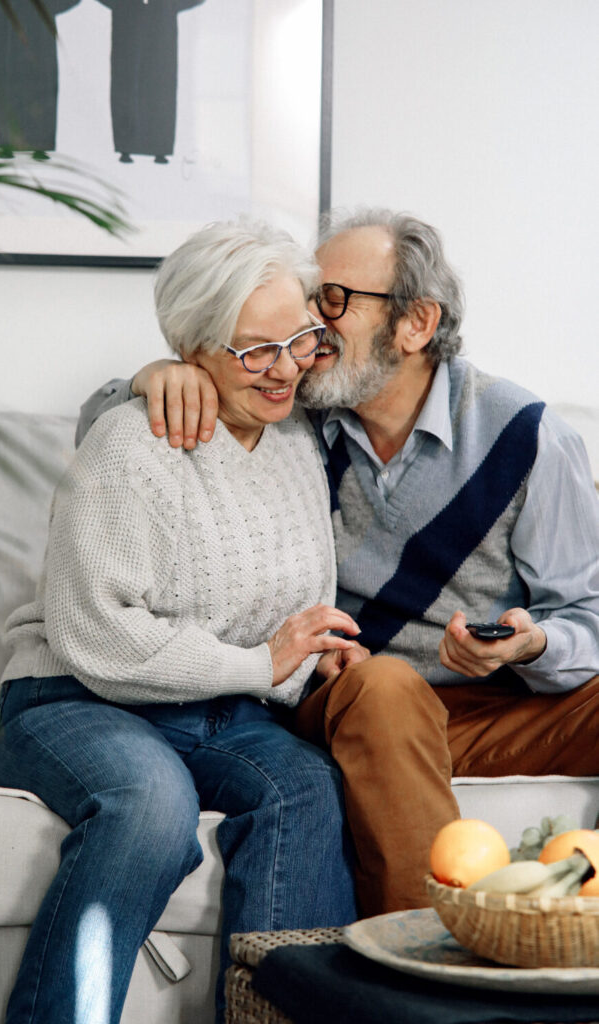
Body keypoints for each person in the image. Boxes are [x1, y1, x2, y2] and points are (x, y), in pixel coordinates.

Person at [78, 206, 599, 919]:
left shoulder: (527, 437)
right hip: (353, 698)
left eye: (331, 301)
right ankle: (422, 963)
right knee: (386, 688)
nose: (307, 331)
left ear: (415, 323)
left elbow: (584, 616)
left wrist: (534, 643)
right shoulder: (294, 412)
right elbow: (112, 442)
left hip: (489, 706)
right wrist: (153, 377)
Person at [0, 219, 360, 1024]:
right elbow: (98, 639)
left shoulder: (296, 443)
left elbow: (285, 615)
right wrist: (262, 667)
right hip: (72, 699)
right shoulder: (134, 442)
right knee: (151, 807)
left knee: (306, 788)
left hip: (217, 712)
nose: (284, 368)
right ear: (192, 350)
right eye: (253, 349)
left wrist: (302, 662)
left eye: (297, 339)